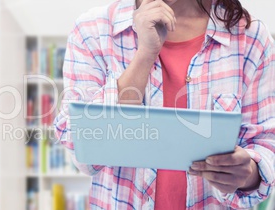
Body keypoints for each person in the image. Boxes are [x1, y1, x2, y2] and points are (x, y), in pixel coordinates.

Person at [54, 0, 275, 209]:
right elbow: (84, 153)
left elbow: (266, 143)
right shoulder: (92, 31)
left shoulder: (250, 38)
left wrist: (248, 173)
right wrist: (145, 55)